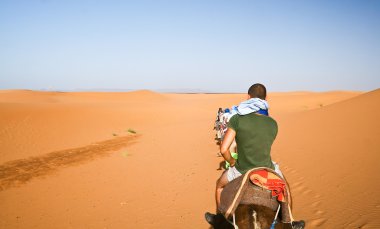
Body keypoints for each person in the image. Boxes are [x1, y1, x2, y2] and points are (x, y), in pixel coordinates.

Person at [205, 83, 305, 229]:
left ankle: (219, 219)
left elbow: (224, 148)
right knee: (286, 188)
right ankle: (290, 222)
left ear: (248, 97)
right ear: (266, 99)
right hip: (266, 168)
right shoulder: (272, 123)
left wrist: (232, 162)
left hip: (241, 169)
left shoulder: (237, 119)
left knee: (219, 186)